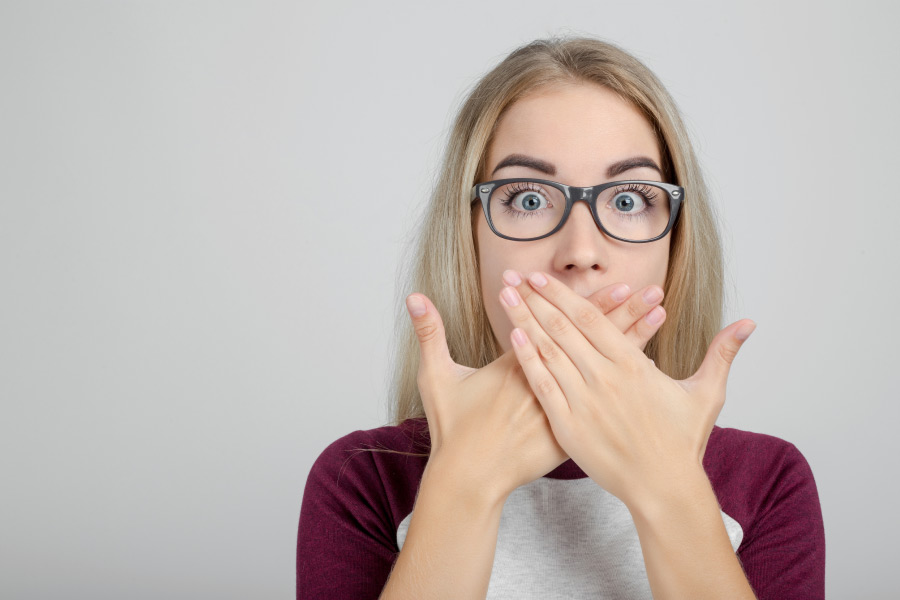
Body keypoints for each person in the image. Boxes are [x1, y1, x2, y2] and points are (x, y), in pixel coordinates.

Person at [296, 36, 825, 599]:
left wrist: (669, 490)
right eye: (527, 198)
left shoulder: (768, 482)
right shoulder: (364, 478)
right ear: (468, 237)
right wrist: (464, 483)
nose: (580, 250)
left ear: (675, 243)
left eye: (627, 199)